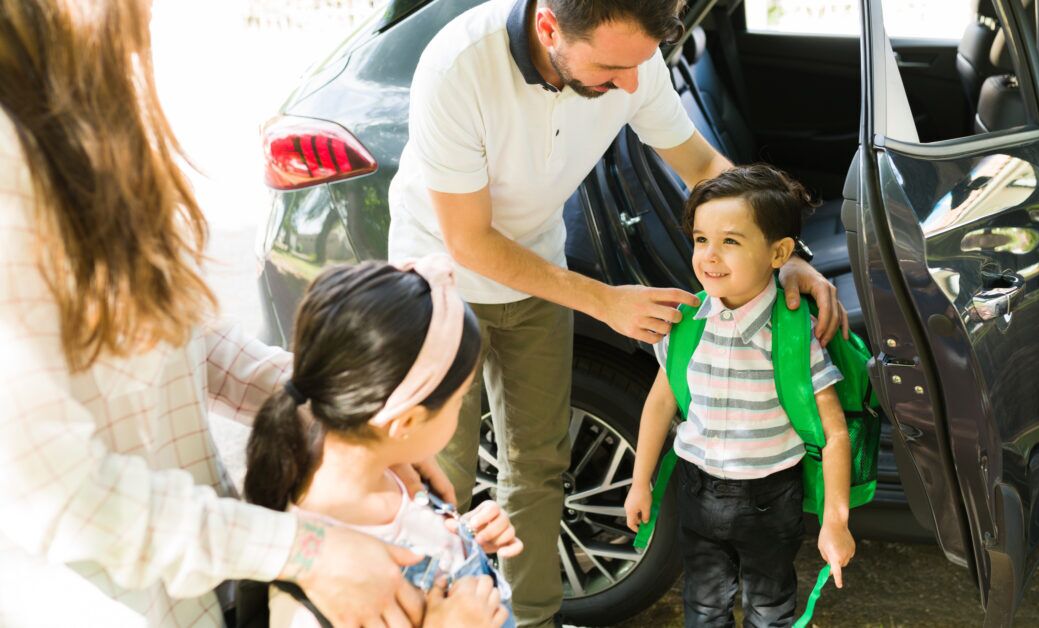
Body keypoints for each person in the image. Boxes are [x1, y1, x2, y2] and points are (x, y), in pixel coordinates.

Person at [0, 1, 479, 625]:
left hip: (194, 592)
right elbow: (54, 491)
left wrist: (356, 419)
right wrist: (307, 551)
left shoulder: (80, 117)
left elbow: (184, 340)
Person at [388, 1, 851, 623]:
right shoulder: (458, 67)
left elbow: (702, 167)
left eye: (640, 64)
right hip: (443, 283)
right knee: (439, 476)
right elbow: (469, 241)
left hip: (539, 273)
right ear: (549, 29)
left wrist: (783, 255)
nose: (632, 85)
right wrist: (605, 301)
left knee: (538, 466)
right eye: (612, 69)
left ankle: (532, 618)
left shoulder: (633, 59)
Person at [624, 165, 857, 627]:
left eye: (730, 241)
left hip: (770, 498)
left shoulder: (793, 334)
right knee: (703, 607)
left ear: (779, 253)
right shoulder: (685, 325)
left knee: (769, 610)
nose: (709, 256)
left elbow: (834, 435)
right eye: (700, 239)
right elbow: (660, 403)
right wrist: (639, 481)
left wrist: (835, 521)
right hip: (696, 489)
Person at [241, 259, 520, 628]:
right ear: (406, 422)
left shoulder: (392, 475)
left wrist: (461, 541)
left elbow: (413, 539)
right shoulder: (313, 599)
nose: (462, 407)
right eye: (458, 400)